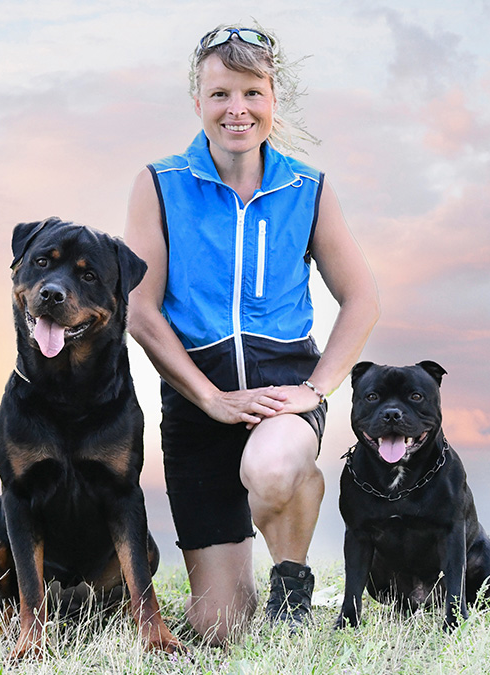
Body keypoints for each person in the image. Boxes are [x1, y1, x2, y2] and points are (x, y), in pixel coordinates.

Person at [124, 24, 379, 644]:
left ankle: (292, 581)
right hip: (196, 405)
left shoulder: (307, 188)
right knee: (218, 629)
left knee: (272, 469)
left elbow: (362, 298)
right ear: (198, 103)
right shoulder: (160, 184)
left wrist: (316, 390)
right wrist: (208, 398)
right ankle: (242, 589)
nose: (236, 109)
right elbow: (139, 308)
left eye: (251, 93)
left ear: (272, 99)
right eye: (219, 95)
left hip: (279, 393)